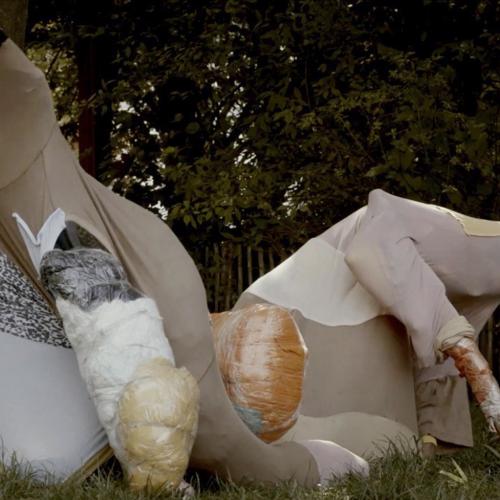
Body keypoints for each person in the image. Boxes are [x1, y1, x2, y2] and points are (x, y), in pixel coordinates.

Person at [0, 31, 367, 486]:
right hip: (52, 337)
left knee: (221, 445)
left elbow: (113, 325)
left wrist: (158, 473)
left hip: (149, 313)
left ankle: (316, 466)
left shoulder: (39, 193)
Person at [236, 188, 500, 455]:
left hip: (313, 316)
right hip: (287, 317)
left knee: (393, 446)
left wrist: (433, 433)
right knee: (373, 446)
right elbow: (376, 232)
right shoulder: (477, 247)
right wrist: (476, 368)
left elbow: (435, 338)